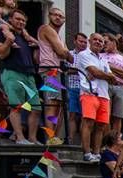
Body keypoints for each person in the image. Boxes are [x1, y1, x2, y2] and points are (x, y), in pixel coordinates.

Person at [0, 9, 41, 145]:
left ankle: (32, 138)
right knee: (16, 106)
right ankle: (20, 138)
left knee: (36, 108)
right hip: (12, 72)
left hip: (29, 74)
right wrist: (8, 41)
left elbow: (36, 60)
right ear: (10, 20)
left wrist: (37, 47)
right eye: (18, 19)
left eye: (23, 20)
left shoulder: (25, 37)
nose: (21, 22)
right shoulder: (1, 33)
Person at [36, 7, 72, 144]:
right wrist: (63, 52)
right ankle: (50, 137)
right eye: (55, 15)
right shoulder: (46, 29)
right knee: (52, 104)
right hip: (50, 70)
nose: (58, 18)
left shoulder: (60, 37)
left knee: (60, 105)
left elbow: (70, 58)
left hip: (59, 71)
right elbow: (63, 53)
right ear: (49, 16)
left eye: (61, 16)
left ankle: (55, 136)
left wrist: (64, 52)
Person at [77, 33, 115, 161]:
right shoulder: (83, 55)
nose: (98, 42)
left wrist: (101, 74)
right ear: (89, 41)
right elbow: (95, 72)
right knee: (88, 123)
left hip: (104, 95)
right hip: (89, 92)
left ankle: (97, 152)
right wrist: (104, 75)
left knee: (101, 126)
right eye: (96, 40)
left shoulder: (103, 60)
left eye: (101, 41)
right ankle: (87, 153)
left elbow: (112, 78)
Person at [100, 34, 123, 134]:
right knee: (106, 115)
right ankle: (106, 141)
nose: (103, 45)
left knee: (118, 116)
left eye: (106, 42)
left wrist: (110, 67)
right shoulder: (100, 56)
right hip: (105, 85)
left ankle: (114, 142)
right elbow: (99, 70)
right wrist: (121, 71)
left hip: (121, 87)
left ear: (114, 42)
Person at [66, 33, 88, 144]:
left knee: (85, 116)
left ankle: (82, 141)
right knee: (73, 114)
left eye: (85, 42)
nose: (83, 44)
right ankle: (71, 139)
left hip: (86, 90)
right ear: (75, 41)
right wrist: (79, 70)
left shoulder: (89, 56)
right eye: (81, 41)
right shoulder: (69, 54)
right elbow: (65, 70)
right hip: (72, 87)